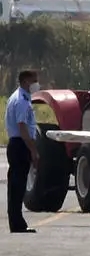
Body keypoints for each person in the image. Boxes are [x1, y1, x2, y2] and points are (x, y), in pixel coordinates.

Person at [6, 69, 40, 234]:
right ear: (26, 81)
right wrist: (33, 150)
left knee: (16, 187)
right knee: (18, 187)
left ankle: (17, 222)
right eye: (34, 80)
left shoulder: (21, 97)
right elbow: (22, 127)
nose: (37, 84)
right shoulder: (21, 100)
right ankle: (17, 223)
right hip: (20, 145)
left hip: (18, 144)